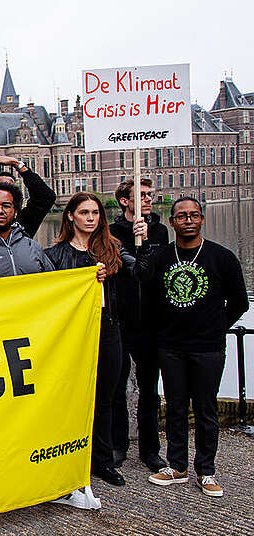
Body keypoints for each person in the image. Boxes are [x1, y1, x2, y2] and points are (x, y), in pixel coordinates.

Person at [44, 193, 149, 496]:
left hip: (108, 330)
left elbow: (141, 272)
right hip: (73, 335)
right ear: (70, 217)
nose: (91, 218)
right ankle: (69, 457)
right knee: (72, 398)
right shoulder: (55, 255)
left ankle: (101, 460)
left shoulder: (112, 249)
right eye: (84, 212)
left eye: (95, 213)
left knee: (106, 397)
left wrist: (142, 241)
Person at [142, 198, 248, 497]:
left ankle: (206, 470)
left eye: (194, 215)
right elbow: (149, 301)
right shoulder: (162, 257)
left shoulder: (221, 258)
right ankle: (177, 466)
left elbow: (240, 301)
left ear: (202, 219)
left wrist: (217, 327)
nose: (188, 221)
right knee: (175, 407)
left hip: (208, 347)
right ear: (172, 222)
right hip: (171, 346)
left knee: (206, 409)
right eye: (181, 216)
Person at [108, 178, 170, 471]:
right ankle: (119, 446)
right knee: (118, 388)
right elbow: (126, 270)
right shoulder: (111, 233)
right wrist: (135, 243)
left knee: (149, 391)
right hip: (121, 320)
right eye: (141, 195)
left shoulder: (160, 231)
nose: (148, 199)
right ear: (124, 201)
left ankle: (150, 450)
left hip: (151, 322)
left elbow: (155, 273)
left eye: (150, 194)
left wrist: (145, 242)